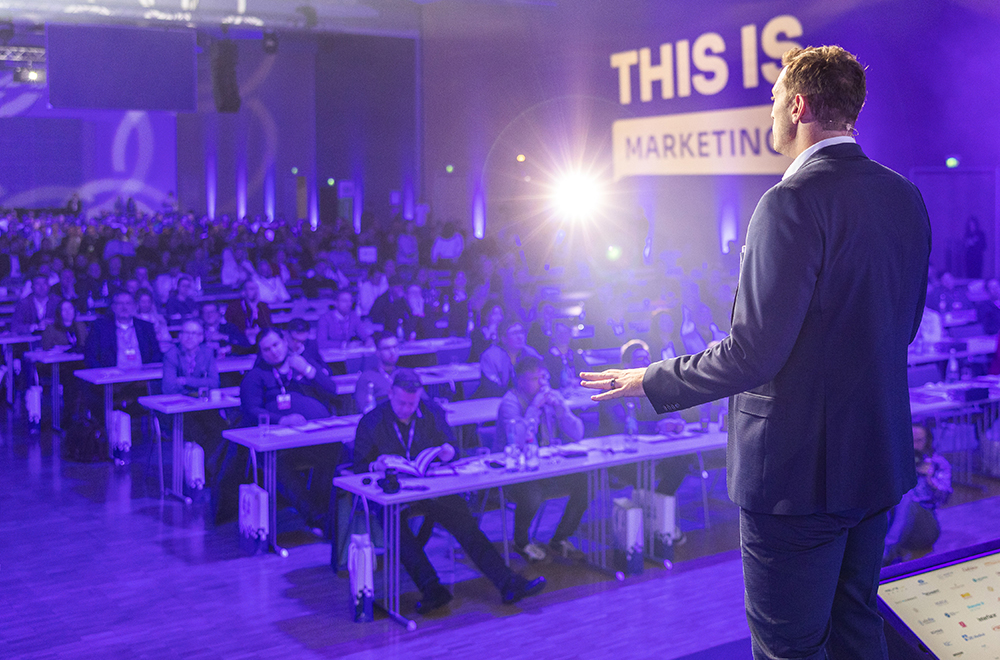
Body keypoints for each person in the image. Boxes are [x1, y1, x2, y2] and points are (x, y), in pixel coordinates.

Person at [581, 46, 931, 659]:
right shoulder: (904, 196)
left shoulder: (789, 201)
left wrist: (650, 379)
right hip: (876, 461)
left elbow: (752, 355)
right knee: (856, 629)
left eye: (773, 98)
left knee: (787, 648)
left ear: (798, 106)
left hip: (797, 477)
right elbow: (903, 328)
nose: (769, 110)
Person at [353, 369, 545, 613]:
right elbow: (358, 466)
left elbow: (453, 448)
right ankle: (431, 588)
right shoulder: (372, 420)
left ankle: (508, 583)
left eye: (412, 404)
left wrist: (448, 452)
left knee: (465, 523)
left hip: (431, 485)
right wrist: (375, 465)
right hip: (390, 491)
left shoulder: (432, 411)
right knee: (395, 527)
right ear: (390, 393)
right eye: (401, 403)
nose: (406, 409)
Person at [238, 327, 342, 534]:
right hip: (274, 445)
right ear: (261, 353)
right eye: (266, 349)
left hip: (312, 438)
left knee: (336, 453)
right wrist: (282, 420)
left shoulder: (302, 365)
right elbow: (251, 410)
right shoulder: (256, 376)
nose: (273, 351)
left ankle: (328, 512)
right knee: (277, 466)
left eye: (276, 345)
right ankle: (318, 517)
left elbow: (332, 390)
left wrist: (308, 370)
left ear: (285, 342)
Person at [497, 356, 587, 561]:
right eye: (534, 379)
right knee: (532, 494)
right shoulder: (510, 403)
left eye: (543, 377)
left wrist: (562, 411)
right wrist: (533, 409)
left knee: (585, 482)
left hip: (548, 467)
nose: (542, 383)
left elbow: (577, 434)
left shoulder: (551, 397)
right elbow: (517, 441)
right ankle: (521, 542)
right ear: (520, 381)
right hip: (515, 473)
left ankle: (560, 537)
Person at [883, 424, 951, 565]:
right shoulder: (894, 461)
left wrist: (930, 480)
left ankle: (885, 555)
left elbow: (944, 498)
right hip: (891, 521)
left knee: (907, 498)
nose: (914, 445)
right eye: (911, 440)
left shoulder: (937, 463)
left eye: (919, 440)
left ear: (928, 441)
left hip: (924, 526)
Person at [478, 317, 541, 398]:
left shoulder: (530, 353)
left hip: (526, 399)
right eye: (514, 333)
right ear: (503, 339)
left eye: (521, 332)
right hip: (494, 400)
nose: (520, 337)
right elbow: (492, 389)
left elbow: (543, 377)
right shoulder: (490, 356)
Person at [354, 332, 399, 412]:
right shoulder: (366, 378)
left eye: (395, 347)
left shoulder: (406, 374)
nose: (392, 352)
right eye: (387, 348)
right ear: (377, 352)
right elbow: (364, 410)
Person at [226, 280, 272, 346]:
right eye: (251, 289)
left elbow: (268, 326)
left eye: (256, 288)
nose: (256, 291)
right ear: (243, 292)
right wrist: (244, 331)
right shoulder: (234, 306)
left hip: (260, 339)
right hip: (240, 340)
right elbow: (230, 326)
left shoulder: (263, 306)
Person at [963, 215, 986, 279]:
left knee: (977, 274)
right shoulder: (967, 234)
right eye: (970, 224)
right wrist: (969, 243)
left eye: (973, 224)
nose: (971, 226)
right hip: (969, 258)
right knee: (969, 273)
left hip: (978, 257)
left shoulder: (981, 234)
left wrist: (975, 241)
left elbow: (984, 246)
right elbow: (964, 245)